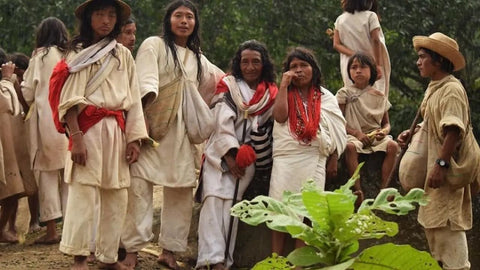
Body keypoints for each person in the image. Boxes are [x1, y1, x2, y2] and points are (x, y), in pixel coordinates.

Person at [122, 0, 224, 268]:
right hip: (151, 126)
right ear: (168, 20)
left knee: (180, 190)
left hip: (182, 133)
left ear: (195, 23)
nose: (184, 21)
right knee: (139, 188)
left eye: (189, 17)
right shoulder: (153, 44)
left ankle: (170, 251)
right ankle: (132, 250)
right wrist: (138, 127)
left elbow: (220, 82)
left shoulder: (198, 58)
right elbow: (145, 82)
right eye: (178, 15)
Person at [53, 0, 148, 269]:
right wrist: (77, 138)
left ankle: (107, 258)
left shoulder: (123, 54)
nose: (106, 20)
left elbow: (133, 103)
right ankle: (80, 258)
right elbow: (69, 100)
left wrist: (134, 138)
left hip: (116, 130)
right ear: (89, 18)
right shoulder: (78, 53)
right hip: (88, 129)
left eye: (110, 15)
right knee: (83, 194)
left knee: (116, 195)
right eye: (99, 14)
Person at [398, 32, 480, 270]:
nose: (418, 62)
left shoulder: (451, 90)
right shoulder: (435, 87)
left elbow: (454, 130)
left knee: (449, 233)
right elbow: (436, 123)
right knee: (437, 234)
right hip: (436, 177)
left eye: (423, 57)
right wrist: (412, 133)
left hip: (444, 175)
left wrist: (441, 165)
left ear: (439, 60)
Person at [196, 40, 277, 270]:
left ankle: (224, 260)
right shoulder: (228, 85)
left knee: (231, 206)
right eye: (245, 62)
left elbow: (268, 128)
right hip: (218, 154)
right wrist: (230, 155)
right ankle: (210, 259)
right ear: (238, 64)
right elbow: (220, 123)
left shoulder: (270, 93)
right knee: (212, 200)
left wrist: (246, 156)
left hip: (247, 160)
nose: (250, 67)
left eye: (255, 62)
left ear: (264, 64)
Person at [269, 47, 347, 255]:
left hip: (314, 158)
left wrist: (334, 158)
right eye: (293, 66)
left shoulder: (326, 97)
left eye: (304, 65)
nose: (299, 70)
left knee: (308, 211)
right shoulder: (284, 92)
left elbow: (337, 130)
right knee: (279, 208)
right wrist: (283, 85)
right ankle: (275, 259)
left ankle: (298, 265)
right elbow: (279, 117)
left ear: (314, 69)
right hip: (286, 159)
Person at [21, 17, 70, 245]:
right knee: (70, 176)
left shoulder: (39, 57)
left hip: (46, 124)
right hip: (71, 123)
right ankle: (71, 230)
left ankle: (51, 231)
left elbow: (29, 92)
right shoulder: (70, 54)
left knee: (48, 177)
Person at [336, 53, 399, 203]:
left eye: (363, 67)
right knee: (350, 148)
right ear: (349, 72)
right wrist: (356, 133)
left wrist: (383, 133)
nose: (358, 71)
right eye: (354, 67)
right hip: (353, 135)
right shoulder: (344, 93)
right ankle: (357, 190)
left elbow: (387, 124)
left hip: (375, 137)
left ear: (372, 71)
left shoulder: (379, 96)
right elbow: (338, 121)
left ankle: (385, 189)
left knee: (393, 146)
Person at [333, 0, 390, 95]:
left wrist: (354, 55)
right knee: (374, 97)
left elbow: (336, 44)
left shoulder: (340, 19)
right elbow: (376, 40)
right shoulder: (371, 16)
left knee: (352, 97)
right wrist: (378, 65)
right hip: (369, 65)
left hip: (350, 66)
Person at [0, 50, 23, 244]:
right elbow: (7, 104)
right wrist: (7, 80)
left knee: (11, 190)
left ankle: (3, 229)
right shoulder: (4, 86)